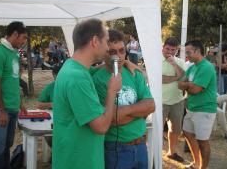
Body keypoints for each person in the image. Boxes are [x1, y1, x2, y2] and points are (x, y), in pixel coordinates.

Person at [52, 19, 122, 169]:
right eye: (106, 41)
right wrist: (111, 91)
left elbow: (95, 69)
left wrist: (125, 62)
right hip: (79, 162)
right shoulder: (78, 78)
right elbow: (101, 127)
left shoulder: (73, 67)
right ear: (95, 41)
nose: (108, 47)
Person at [93, 29, 155, 169]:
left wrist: (125, 112)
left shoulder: (134, 73)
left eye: (121, 51)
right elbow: (112, 119)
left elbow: (151, 105)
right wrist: (139, 112)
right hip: (115, 148)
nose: (118, 57)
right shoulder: (97, 80)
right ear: (104, 53)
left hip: (140, 145)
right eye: (112, 52)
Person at [0, 21, 28, 169]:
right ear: (15, 34)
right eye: (23, 37)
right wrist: (1, 111)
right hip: (0, 110)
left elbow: (14, 80)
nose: (24, 42)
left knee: (7, 146)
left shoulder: (14, 53)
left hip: (12, 107)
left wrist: (20, 103)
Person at [178, 40, 217, 169]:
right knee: (187, 133)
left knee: (202, 142)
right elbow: (180, 84)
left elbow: (195, 90)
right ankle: (196, 163)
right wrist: (189, 84)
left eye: (189, 52)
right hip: (192, 108)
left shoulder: (206, 67)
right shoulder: (192, 67)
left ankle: (202, 167)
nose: (187, 55)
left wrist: (187, 85)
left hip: (204, 110)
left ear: (197, 51)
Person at [162, 37, 186, 163]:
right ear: (163, 47)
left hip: (177, 100)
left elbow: (183, 78)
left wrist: (174, 64)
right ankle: (155, 153)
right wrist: (176, 77)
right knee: (157, 128)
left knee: (175, 129)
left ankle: (171, 152)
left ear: (176, 50)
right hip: (160, 101)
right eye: (167, 49)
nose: (169, 52)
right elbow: (160, 79)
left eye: (173, 50)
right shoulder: (156, 60)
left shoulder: (180, 62)